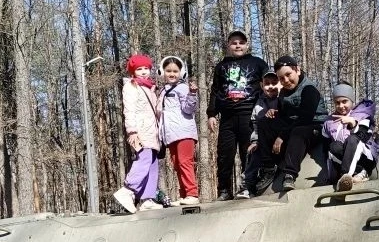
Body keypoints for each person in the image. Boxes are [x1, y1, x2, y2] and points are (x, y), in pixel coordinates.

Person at [206, 31, 269, 200]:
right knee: (224, 155)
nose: (238, 46)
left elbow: (269, 85)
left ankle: (248, 187)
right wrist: (211, 114)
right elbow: (215, 90)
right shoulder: (221, 66)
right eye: (234, 43)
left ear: (247, 45)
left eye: (241, 42)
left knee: (248, 152)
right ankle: (224, 190)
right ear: (228, 45)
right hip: (227, 117)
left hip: (249, 115)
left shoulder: (258, 63)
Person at [114, 54, 162, 213]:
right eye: (139, 69)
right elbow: (129, 110)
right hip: (140, 131)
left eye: (146, 68)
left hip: (153, 132)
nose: (143, 72)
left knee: (153, 163)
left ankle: (147, 198)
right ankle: (128, 190)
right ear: (133, 71)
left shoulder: (150, 87)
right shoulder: (131, 86)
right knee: (144, 159)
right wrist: (132, 131)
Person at [273, 56, 327, 192]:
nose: (286, 80)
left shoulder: (309, 89)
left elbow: (305, 118)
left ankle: (290, 174)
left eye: (288, 74)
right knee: (266, 123)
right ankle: (267, 167)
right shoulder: (283, 94)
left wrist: (282, 136)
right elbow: (283, 117)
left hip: (315, 127)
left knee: (299, 132)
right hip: (293, 127)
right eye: (281, 78)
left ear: (297, 70)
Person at [157, 56, 200, 206]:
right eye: (168, 71)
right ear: (162, 72)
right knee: (177, 165)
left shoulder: (183, 88)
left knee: (184, 162)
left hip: (184, 132)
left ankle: (192, 193)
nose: (172, 74)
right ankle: (184, 195)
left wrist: (192, 94)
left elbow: (189, 109)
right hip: (171, 134)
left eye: (175, 71)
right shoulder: (163, 90)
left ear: (181, 73)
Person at [322, 83, 378, 191]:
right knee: (334, 146)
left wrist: (353, 124)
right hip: (344, 159)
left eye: (344, 101)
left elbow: (363, 137)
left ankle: (346, 176)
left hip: (364, 157)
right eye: (337, 102)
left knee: (352, 139)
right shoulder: (329, 122)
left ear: (351, 101)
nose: (341, 106)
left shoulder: (362, 116)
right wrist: (329, 174)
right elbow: (326, 149)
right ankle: (358, 173)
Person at [236, 71, 283, 199]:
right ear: (262, 86)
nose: (271, 86)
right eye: (267, 83)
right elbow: (256, 126)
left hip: (281, 138)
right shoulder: (258, 104)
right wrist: (255, 141)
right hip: (263, 141)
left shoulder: (284, 99)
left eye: (274, 83)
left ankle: (271, 171)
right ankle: (248, 186)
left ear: (280, 84)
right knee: (254, 152)